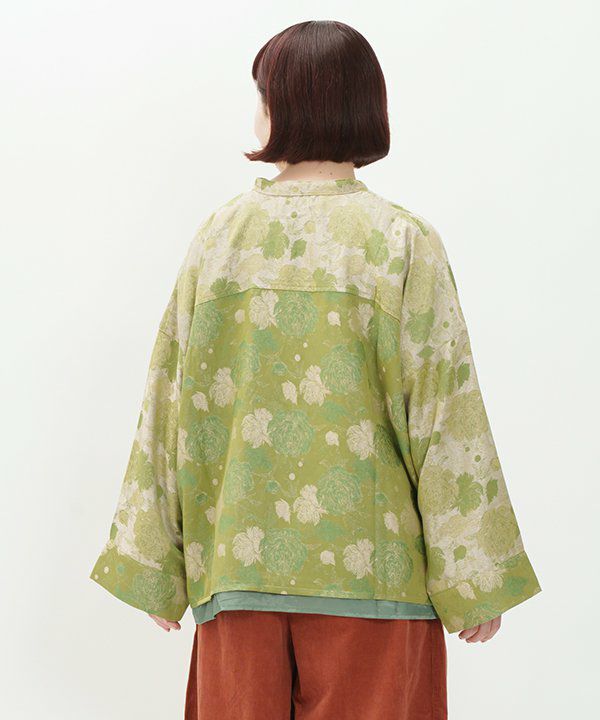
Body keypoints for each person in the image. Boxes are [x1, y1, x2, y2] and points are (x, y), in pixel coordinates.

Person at [89, 19, 542, 720]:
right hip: (377, 584)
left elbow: (169, 401)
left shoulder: (219, 239)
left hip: (237, 578)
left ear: (283, 105)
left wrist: (157, 561)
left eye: (261, 94)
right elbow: (445, 415)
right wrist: (473, 575)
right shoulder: (401, 243)